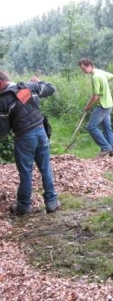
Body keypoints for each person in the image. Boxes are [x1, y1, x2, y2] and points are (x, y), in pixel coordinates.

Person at [0, 71, 60, 215]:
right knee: (45, 168)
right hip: (41, 132)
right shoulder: (28, 86)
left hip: (24, 137)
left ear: (1, 83)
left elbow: (3, 132)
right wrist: (38, 82)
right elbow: (50, 88)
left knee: (26, 172)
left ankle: (23, 206)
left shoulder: (3, 100)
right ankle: (51, 202)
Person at [78, 58, 113, 158]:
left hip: (103, 106)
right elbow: (112, 76)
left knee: (91, 127)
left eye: (84, 69)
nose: (83, 71)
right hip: (109, 104)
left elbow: (95, 96)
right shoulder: (100, 72)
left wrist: (88, 106)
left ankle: (105, 147)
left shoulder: (95, 77)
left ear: (89, 66)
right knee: (107, 130)